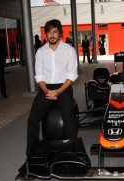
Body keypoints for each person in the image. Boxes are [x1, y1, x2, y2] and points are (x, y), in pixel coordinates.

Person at [26, 19, 79, 157]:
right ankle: (31, 153)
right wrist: (46, 91)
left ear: (60, 33)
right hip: (46, 88)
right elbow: (39, 76)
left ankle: (72, 152)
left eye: (55, 31)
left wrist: (59, 91)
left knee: (68, 118)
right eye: (49, 32)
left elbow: (72, 75)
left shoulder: (69, 50)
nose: (52, 35)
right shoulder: (40, 52)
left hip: (64, 87)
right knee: (32, 119)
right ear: (46, 35)